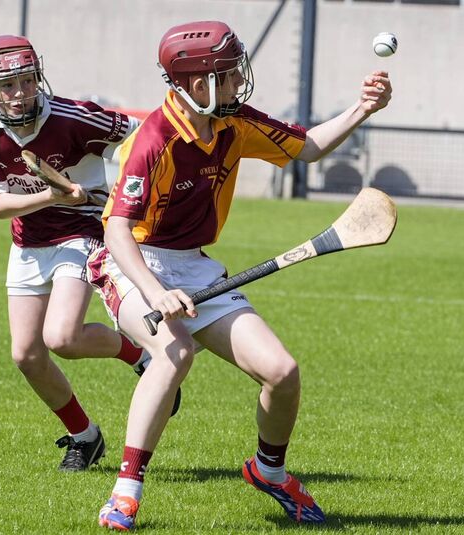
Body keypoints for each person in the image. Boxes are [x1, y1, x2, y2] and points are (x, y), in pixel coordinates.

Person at [88, 20, 392, 529]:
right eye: (228, 75)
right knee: (174, 352)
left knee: (282, 372)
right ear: (196, 83)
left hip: (194, 264)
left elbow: (307, 147)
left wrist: (363, 108)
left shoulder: (234, 122)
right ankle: (125, 493)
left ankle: (269, 472)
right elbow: (117, 230)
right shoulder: (154, 139)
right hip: (133, 262)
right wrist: (156, 293)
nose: (238, 82)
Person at [0, 34, 181, 472]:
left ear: (38, 76)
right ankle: (86, 436)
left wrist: (125, 194)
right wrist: (53, 194)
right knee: (26, 356)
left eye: (27, 81)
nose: (20, 93)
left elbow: (144, 138)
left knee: (62, 338)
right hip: (28, 240)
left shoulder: (74, 117)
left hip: (82, 231)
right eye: (8, 85)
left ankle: (140, 356)